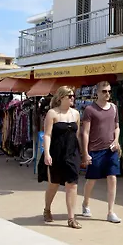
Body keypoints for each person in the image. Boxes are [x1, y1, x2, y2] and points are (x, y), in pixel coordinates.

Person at [38, 86, 82, 229]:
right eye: (70, 96)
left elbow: (77, 135)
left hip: (72, 152)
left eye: (73, 96)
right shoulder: (52, 113)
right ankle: (47, 209)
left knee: (72, 184)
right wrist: (47, 153)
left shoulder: (76, 114)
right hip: (56, 152)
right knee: (54, 184)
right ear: (61, 97)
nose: (72, 98)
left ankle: (71, 218)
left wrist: (82, 153)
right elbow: (47, 135)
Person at [80, 81, 122, 224]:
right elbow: (85, 132)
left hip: (111, 149)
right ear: (97, 92)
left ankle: (110, 211)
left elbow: (117, 127)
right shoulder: (90, 110)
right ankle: (85, 203)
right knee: (92, 180)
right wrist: (85, 152)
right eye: (104, 91)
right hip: (95, 150)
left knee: (112, 178)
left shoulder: (114, 108)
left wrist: (116, 140)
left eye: (109, 91)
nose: (107, 94)